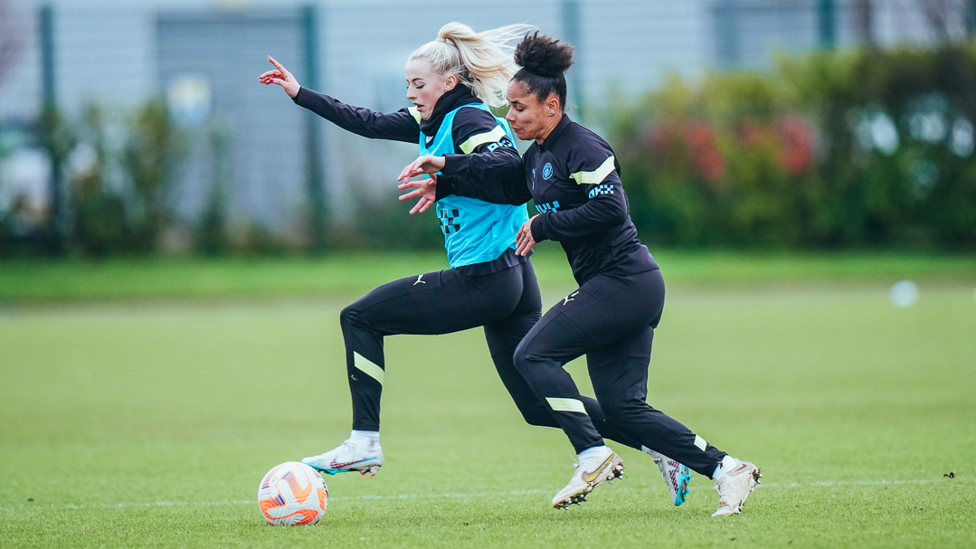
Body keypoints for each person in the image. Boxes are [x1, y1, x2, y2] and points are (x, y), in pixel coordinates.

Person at [258, 22, 694, 507]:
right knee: (534, 403)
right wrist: (299, 93)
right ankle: (655, 442)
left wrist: (444, 171)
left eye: (417, 84)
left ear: (448, 82)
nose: (409, 93)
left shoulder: (469, 120)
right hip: (511, 277)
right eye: (406, 84)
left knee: (359, 317)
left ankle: (364, 443)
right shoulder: (431, 122)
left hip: (487, 276)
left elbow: (506, 167)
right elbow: (365, 120)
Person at [411, 32, 761, 515]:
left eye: (519, 108)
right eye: (508, 108)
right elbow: (501, 182)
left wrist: (544, 223)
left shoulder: (581, 147)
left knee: (532, 354)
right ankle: (728, 469)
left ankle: (591, 454)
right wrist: (444, 173)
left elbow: (613, 209)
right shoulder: (535, 158)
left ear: (552, 106)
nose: (509, 118)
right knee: (624, 410)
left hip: (626, 283)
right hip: (616, 290)